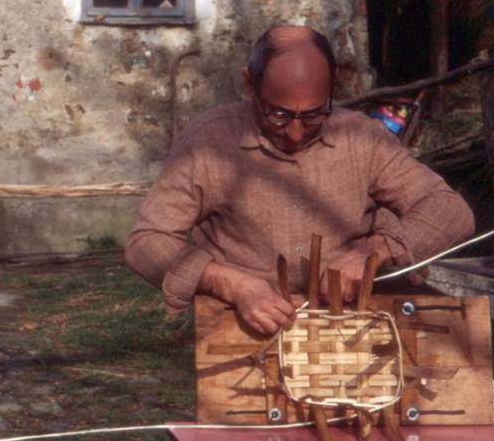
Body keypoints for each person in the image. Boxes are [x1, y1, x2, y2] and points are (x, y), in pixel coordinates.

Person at [125, 25, 474, 335]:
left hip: (352, 329)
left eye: (312, 115)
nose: (294, 133)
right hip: (246, 332)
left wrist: (375, 250)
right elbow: (146, 243)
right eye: (278, 115)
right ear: (250, 83)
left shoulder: (361, 138)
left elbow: (451, 211)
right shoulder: (208, 142)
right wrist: (231, 284)